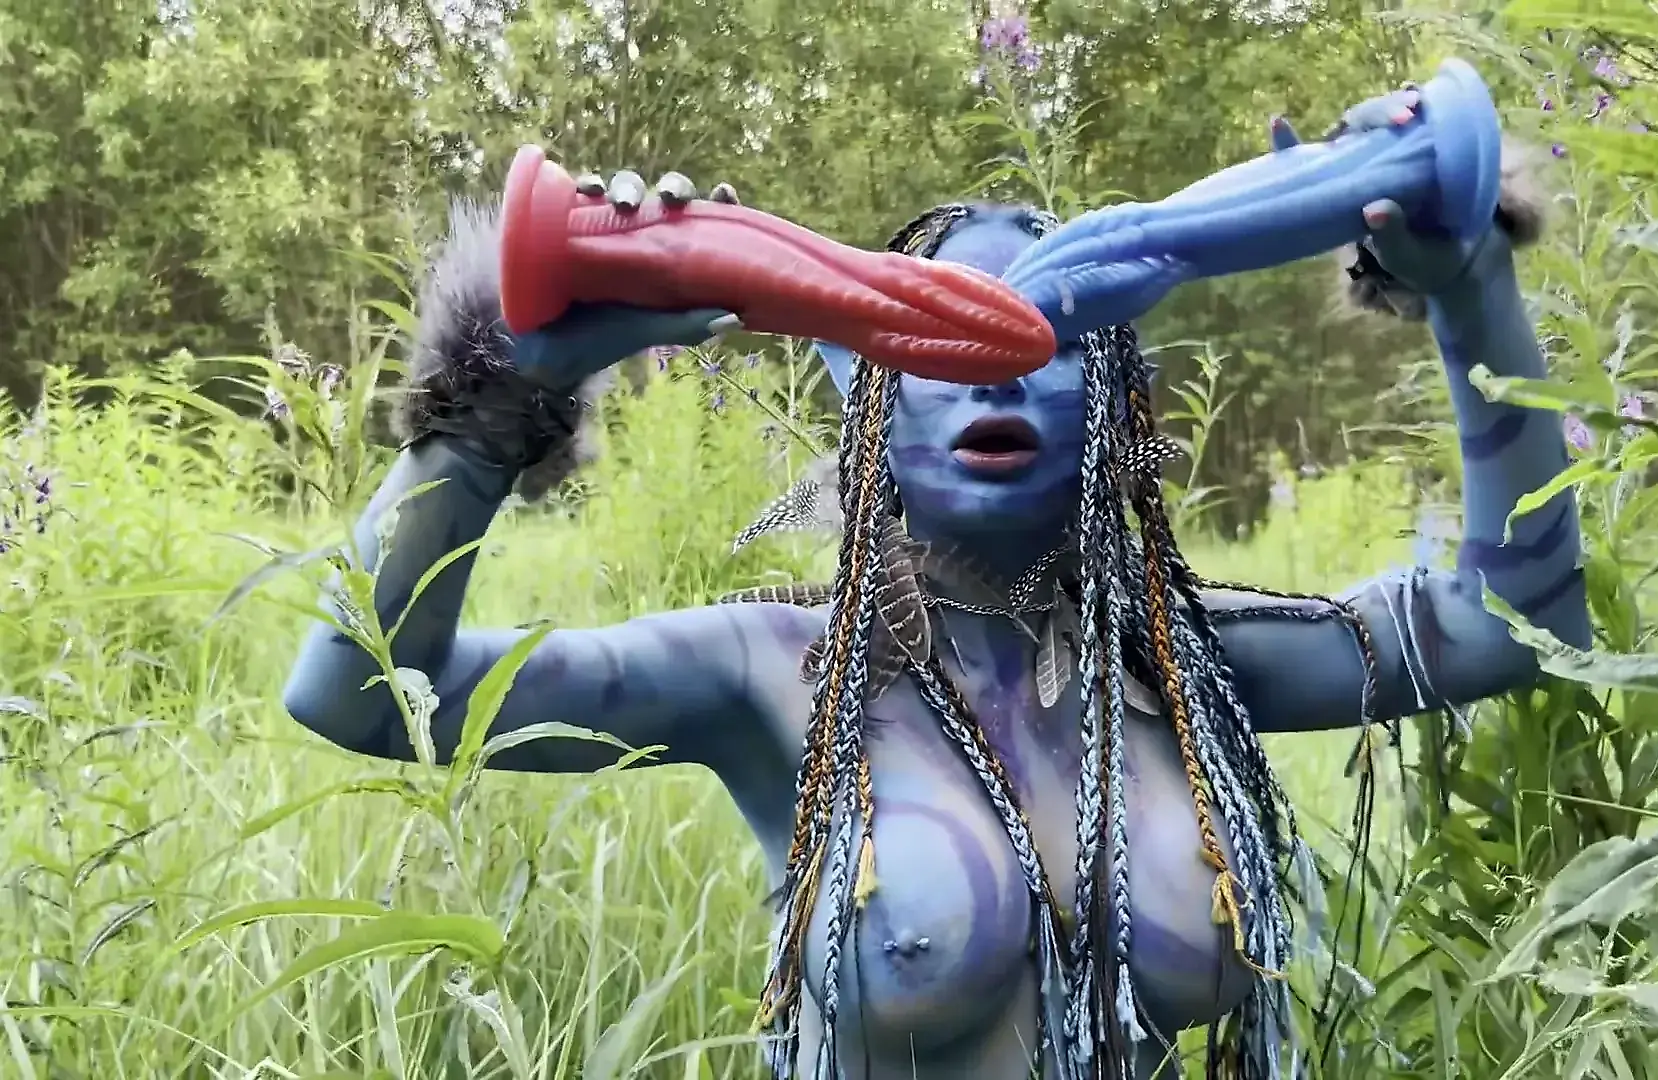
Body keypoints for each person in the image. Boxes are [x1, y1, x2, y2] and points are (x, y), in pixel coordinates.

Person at [281, 86, 1588, 1080]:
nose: (998, 365)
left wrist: (1469, 282)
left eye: (1050, 334)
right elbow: (361, 692)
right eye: (937, 334)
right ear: (868, 412)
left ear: (1117, 410)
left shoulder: (1189, 664)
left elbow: (1512, 625)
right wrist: (497, 399)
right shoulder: (771, 673)